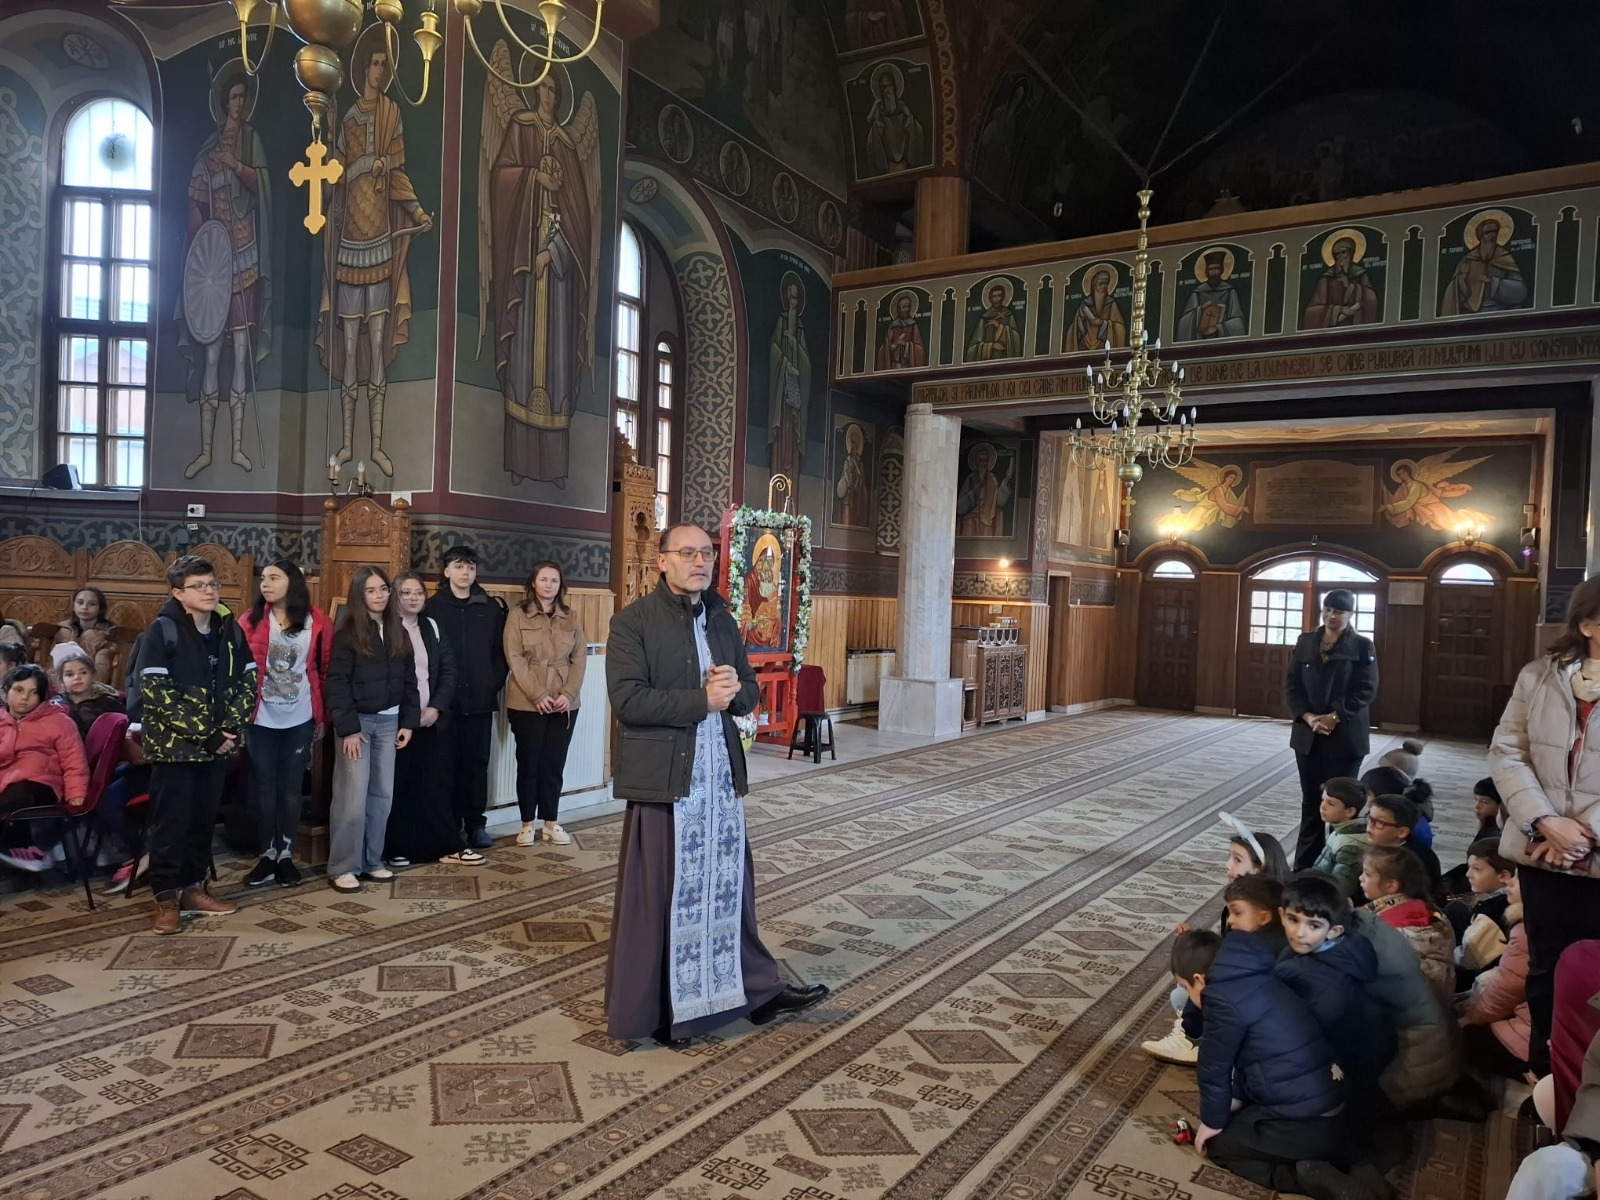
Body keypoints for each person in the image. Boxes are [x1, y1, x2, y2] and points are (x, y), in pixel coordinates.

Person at [604, 522, 828, 1046]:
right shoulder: (632, 622)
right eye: (687, 553)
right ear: (662, 561)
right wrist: (700, 700)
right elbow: (629, 701)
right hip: (668, 781)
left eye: (706, 553)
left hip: (719, 779)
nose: (699, 562)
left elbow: (747, 691)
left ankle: (756, 991)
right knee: (668, 892)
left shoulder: (723, 618)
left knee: (729, 890)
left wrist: (737, 692)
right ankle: (668, 1012)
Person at [1489, 575, 1600, 1076]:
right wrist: (1545, 821)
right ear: (1588, 623)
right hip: (1541, 851)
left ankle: (1584, 1091)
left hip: (1591, 855)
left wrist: (1582, 833)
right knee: (1545, 970)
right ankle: (1545, 1078)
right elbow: (1507, 752)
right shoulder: (1538, 677)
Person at [1171, 929, 1364, 1199]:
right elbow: (1248, 1057)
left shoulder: (1220, 1001)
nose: (1185, 993)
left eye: (1184, 987)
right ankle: (1349, 1165)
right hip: (1336, 1105)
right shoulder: (1260, 978)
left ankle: (1305, 1176)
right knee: (1241, 1118)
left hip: (1306, 1123)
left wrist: (1212, 1122)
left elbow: (1213, 1068)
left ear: (1199, 980)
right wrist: (1237, 1098)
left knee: (1219, 1145)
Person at [135, 555, 256, 935]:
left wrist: (229, 730)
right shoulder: (161, 632)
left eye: (213, 584)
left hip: (217, 747)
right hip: (175, 748)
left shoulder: (229, 629)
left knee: (203, 822)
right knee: (171, 825)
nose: (209, 591)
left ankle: (193, 888)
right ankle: (166, 899)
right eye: (199, 586)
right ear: (177, 593)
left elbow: (248, 681)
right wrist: (208, 735)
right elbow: (157, 694)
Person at [1143, 814, 1289, 1065]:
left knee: (1190, 991)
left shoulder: (1273, 925)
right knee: (1181, 993)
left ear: (1261, 869)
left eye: (1237, 859)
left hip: (1266, 1010)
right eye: (1229, 857)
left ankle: (1192, 1040)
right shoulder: (1250, 904)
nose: (1227, 865)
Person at [237, 560, 332, 889]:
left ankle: (286, 856)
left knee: (291, 789)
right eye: (264, 578)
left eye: (274, 578)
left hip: (300, 716)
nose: (266, 583)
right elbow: (239, 671)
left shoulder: (317, 620)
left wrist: (322, 716)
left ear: (292, 582)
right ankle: (267, 855)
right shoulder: (249, 620)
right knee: (264, 788)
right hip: (261, 718)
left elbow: (324, 669)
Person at [326, 567, 417, 893]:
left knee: (382, 797)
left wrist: (408, 722)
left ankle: (371, 861)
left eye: (383, 589)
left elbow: (409, 681)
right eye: (371, 590)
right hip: (359, 726)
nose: (379, 595)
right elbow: (337, 684)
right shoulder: (347, 634)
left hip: (390, 723)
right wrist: (348, 729)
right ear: (359, 595)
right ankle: (343, 866)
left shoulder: (398, 630)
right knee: (352, 798)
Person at [385, 573, 482, 867]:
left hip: (433, 721)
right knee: (400, 785)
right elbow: (391, 679)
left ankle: (446, 844)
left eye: (418, 593)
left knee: (436, 785)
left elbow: (449, 669)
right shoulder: (385, 629)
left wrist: (436, 708)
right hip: (397, 723)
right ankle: (397, 847)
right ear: (395, 596)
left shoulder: (432, 626)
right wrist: (410, 717)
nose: (413, 598)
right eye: (406, 592)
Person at [1285, 588, 1377, 869]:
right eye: (1327, 609)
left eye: (1338, 611)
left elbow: (1366, 689)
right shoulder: (1306, 641)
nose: (1331, 616)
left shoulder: (1362, 646)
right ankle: (1304, 867)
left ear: (1350, 614)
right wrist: (1308, 716)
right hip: (1309, 735)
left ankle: (1340, 864)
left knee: (1342, 804)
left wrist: (1335, 716)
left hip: (1345, 737)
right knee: (1313, 803)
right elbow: (1292, 684)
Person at [425, 546, 507, 850]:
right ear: (447, 571)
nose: (465, 573)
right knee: (444, 765)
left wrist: (491, 684)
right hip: (443, 704)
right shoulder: (432, 608)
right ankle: (449, 825)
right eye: (459, 567)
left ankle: (475, 824)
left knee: (476, 765)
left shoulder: (490, 607)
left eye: (471, 567)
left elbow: (500, 653)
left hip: (479, 701)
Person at [504, 561, 585, 848]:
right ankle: (527, 824)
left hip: (564, 703)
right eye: (543, 579)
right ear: (533, 583)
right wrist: (538, 695)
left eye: (554, 580)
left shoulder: (571, 617)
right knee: (529, 764)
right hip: (526, 702)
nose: (549, 585)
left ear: (560, 586)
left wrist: (569, 693)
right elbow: (514, 657)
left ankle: (551, 823)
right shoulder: (517, 615)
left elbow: (579, 658)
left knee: (554, 764)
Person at [0, 665, 89, 874]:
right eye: (18, 690)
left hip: (40, 784)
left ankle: (25, 852)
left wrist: (76, 793)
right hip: (5, 781)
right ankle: (23, 851)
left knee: (19, 793)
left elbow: (74, 760)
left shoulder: (59, 721)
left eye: (33, 693)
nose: (25, 698)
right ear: (6, 692)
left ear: (41, 697)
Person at [1459, 869, 1532, 1081]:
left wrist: (1470, 1019)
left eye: (1518, 877)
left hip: (1532, 1041)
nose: (1509, 882)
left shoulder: (1529, 929)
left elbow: (1505, 992)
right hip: (1551, 1034)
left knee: (1454, 1039)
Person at [1361, 844, 1454, 1004]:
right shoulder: (1426, 907)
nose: (1361, 878)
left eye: (1367, 874)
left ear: (1391, 885)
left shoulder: (1388, 925)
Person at [1365, 793, 1442, 892]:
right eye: (1369, 818)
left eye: (1379, 822)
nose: (1370, 826)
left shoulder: (1414, 861)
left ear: (1402, 832)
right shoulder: (1378, 846)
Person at [1310, 776, 1367, 898]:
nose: (1322, 807)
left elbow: (1341, 887)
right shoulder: (1340, 830)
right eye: (1323, 800)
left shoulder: (1350, 845)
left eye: (1330, 803)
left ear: (1349, 811)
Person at [51, 645, 124, 738]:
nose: (77, 677)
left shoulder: (109, 704)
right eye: (69, 674)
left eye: (83, 672)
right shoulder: (55, 704)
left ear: (93, 676)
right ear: (62, 681)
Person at [53, 586, 117, 683]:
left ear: (100, 608)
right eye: (80, 602)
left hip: (90, 681)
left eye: (92, 604)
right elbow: (51, 663)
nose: (85, 607)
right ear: (74, 606)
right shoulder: (63, 629)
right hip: (61, 681)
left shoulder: (108, 634)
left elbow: (102, 673)